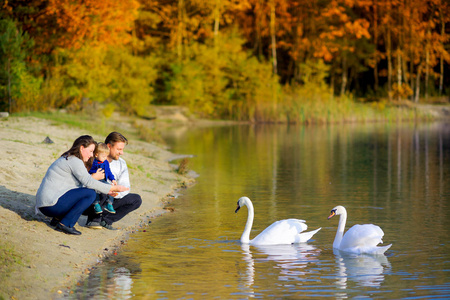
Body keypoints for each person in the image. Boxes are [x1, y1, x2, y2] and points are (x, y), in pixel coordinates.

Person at [35, 135, 129, 235]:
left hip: (46, 203)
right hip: (50, 204)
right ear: (81, 148)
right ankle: (65, 224)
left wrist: (108, 190)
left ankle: (58, 219)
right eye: (90, 151)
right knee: (90, 194)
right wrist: (113, 188)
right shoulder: (74, 161)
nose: (92, 155)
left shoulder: (69, 158)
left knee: (85, 192)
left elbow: (78, 186)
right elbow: (88, 182)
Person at [85, 132, 142, 230]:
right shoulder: (93, 159)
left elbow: (125, 187)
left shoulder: (121, 163)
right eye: (119, 149)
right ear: (109, 146)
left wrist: (113, 192)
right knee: (103, 188)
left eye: (122, 149)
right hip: (92, 200)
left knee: (136, 199)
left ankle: (106, 220)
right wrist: (107, 189)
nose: (122, 152)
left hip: (110, 200)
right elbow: (83, 182)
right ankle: (93, 220)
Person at [88, 142, 117, 214]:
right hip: (95, 180)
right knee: (96, 190)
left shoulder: (106, 162)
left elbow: (109, 171)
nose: (105, 158)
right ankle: (96, 204)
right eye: (103, 156)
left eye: (106, 156)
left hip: (103, 180)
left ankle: (109, 204)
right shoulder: (93, 162)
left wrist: (112, 179)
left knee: (110, 188)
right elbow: (89, 171)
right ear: (96, 154)